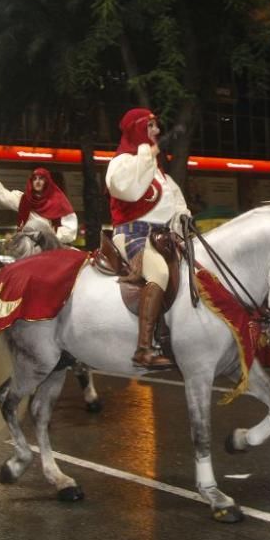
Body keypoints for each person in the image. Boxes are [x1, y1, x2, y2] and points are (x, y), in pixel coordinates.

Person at [105, 108, 190, 369]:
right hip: (133, 233)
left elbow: (176, 202)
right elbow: (128, 190)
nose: (157, 132)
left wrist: (183, 217)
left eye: (157, 127)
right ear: (138, 130)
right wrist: (146, 153)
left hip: (163, 236)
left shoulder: (160, 174)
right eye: (151, 127)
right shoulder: (121, 163)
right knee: (160, 273)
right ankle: (144, 349)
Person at [0, 166, 78, 245]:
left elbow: (70, 231)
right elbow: (3, 195)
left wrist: (48, 237)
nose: (37, 181)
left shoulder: (59, 202)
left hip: (51, 250)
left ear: (47, 182)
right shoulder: (23, 199)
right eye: (35, 179)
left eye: (41, 178)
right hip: (28, 249)